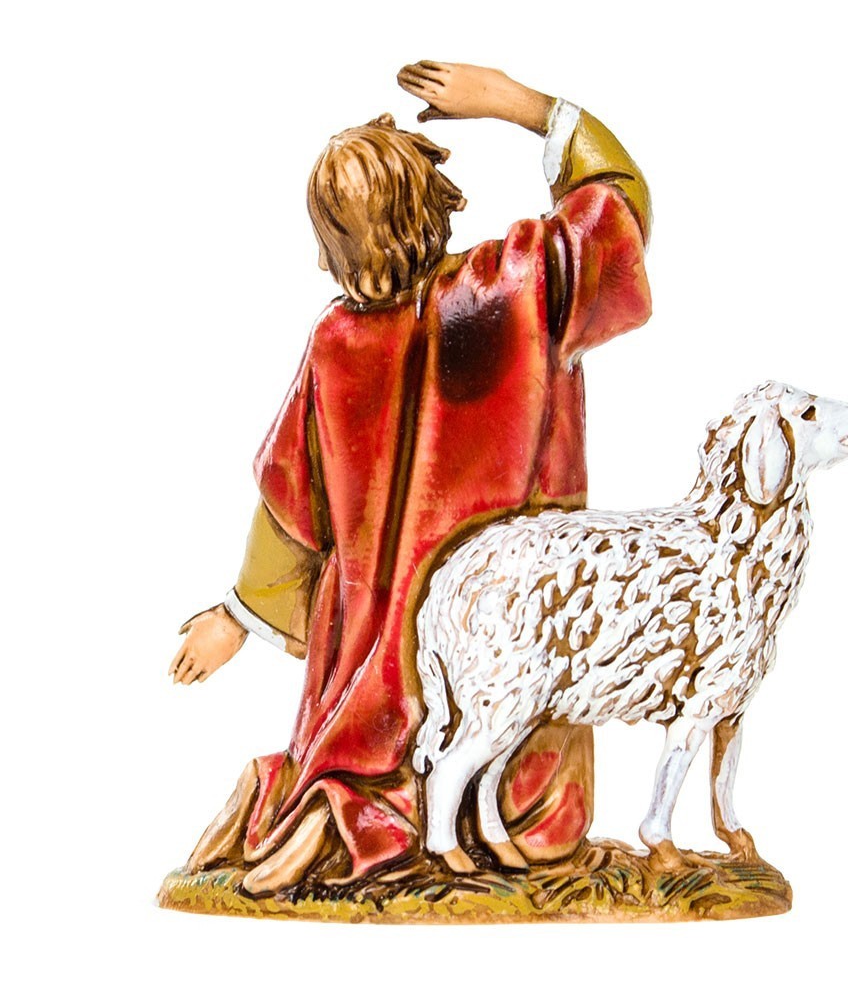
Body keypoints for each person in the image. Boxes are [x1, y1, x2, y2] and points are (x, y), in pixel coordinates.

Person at [168, 61, 652, 895]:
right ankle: (348, 815)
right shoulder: (520, 287)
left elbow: (290, 506)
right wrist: (522, 106)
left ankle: (326, 804)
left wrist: (237, 617)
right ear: (434, 201)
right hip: (511, 645)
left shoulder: (337, 340)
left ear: (335, 246)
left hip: (368, 665)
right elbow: (618, 215)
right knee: (529, 810)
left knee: (358, 748)